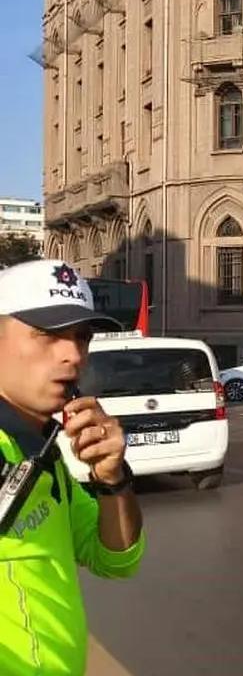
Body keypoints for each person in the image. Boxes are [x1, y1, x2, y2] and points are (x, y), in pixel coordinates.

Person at [0, 259, 145, 675]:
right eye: (48, 335)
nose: (73, 355)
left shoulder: (46, 450)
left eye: (82, 337)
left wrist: (113, 480)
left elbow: (116, 559)